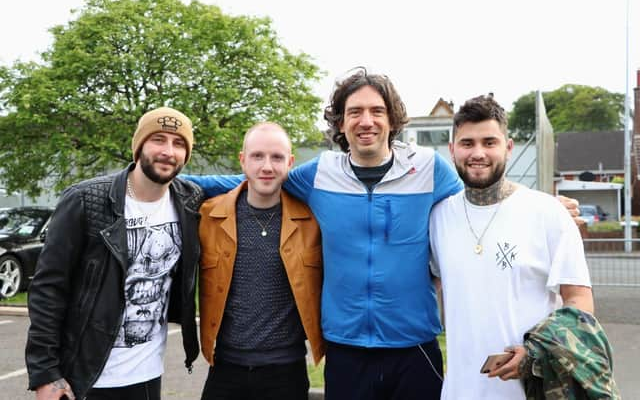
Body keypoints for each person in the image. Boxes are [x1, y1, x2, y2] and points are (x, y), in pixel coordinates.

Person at [184, 68, 581, 399]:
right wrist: (173, 184)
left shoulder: (428, 169)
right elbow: (257, 176)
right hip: (345, 348)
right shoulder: (319, 174)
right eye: (354, 111)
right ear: (340, 122)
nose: (366, 120)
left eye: (377, 110)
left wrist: (544, 207)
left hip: (414, 349)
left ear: (393, 120)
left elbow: (484, 194)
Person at [429, 94, 613, 399]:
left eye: (489, 142)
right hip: (460, 391)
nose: (478, 153)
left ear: (509, 147)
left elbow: (579, 300)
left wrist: (535, 353)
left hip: (531, 390)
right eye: (467, 143)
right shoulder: (438, 218)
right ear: (451, 150)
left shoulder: (547, 213)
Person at [25, 107, 203, 400]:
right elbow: (47, 288)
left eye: (179, 143)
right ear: (139, 146)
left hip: (147, 374)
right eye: (158, 139)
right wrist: (45, 373)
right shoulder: (86, 199)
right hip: (83, 377)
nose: (168, 151)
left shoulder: (189, 199)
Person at [198, 122, 324, 400]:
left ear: (290, 162)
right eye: (257, 156)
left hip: (286, 371)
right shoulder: (208, 216)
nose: (267, 166)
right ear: (242, 160)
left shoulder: (312, 220)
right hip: (225, 366)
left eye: (277, 157)